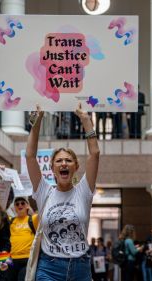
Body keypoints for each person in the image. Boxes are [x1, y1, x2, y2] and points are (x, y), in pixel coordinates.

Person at [26, 103, 100, 280]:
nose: (64, 164)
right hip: (48, 268)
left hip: (80, 267)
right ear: (52, 168)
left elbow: (95, 154)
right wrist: (37, 122)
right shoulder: (44, 191)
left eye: (68, 160)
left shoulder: (84, 191)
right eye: (59, 161)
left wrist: (86, 120)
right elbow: (30, 156)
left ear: (76, 166)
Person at [1, 197, 39, 281]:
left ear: (27, 206)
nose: (20, 205)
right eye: (17, 204)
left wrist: (31, 210)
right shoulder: (10, 220)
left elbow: (42, 212)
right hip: (10, 260)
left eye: (22, 203)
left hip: (28, 259)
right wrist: (3, 260)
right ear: (14, 207)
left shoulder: (32, 219)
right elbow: (4, 240)